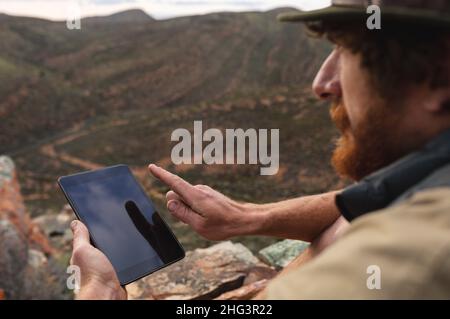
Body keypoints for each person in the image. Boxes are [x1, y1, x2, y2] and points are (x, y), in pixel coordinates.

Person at [70, 0, 450, 299]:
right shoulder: (429, 176)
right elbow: (365, 201)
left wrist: (98, 291)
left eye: (345, 49)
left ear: (438, 75)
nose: (322, 83)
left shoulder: (406, 257)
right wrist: (249, 217)